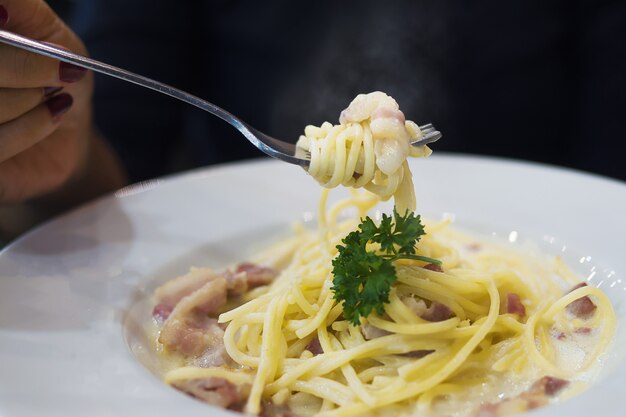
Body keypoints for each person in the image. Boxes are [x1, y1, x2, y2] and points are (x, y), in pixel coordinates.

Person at [1, 0, 625, 241]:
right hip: (243, 253)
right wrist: (60, 154)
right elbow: (107, 179)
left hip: (515, 254)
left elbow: (607, 204)